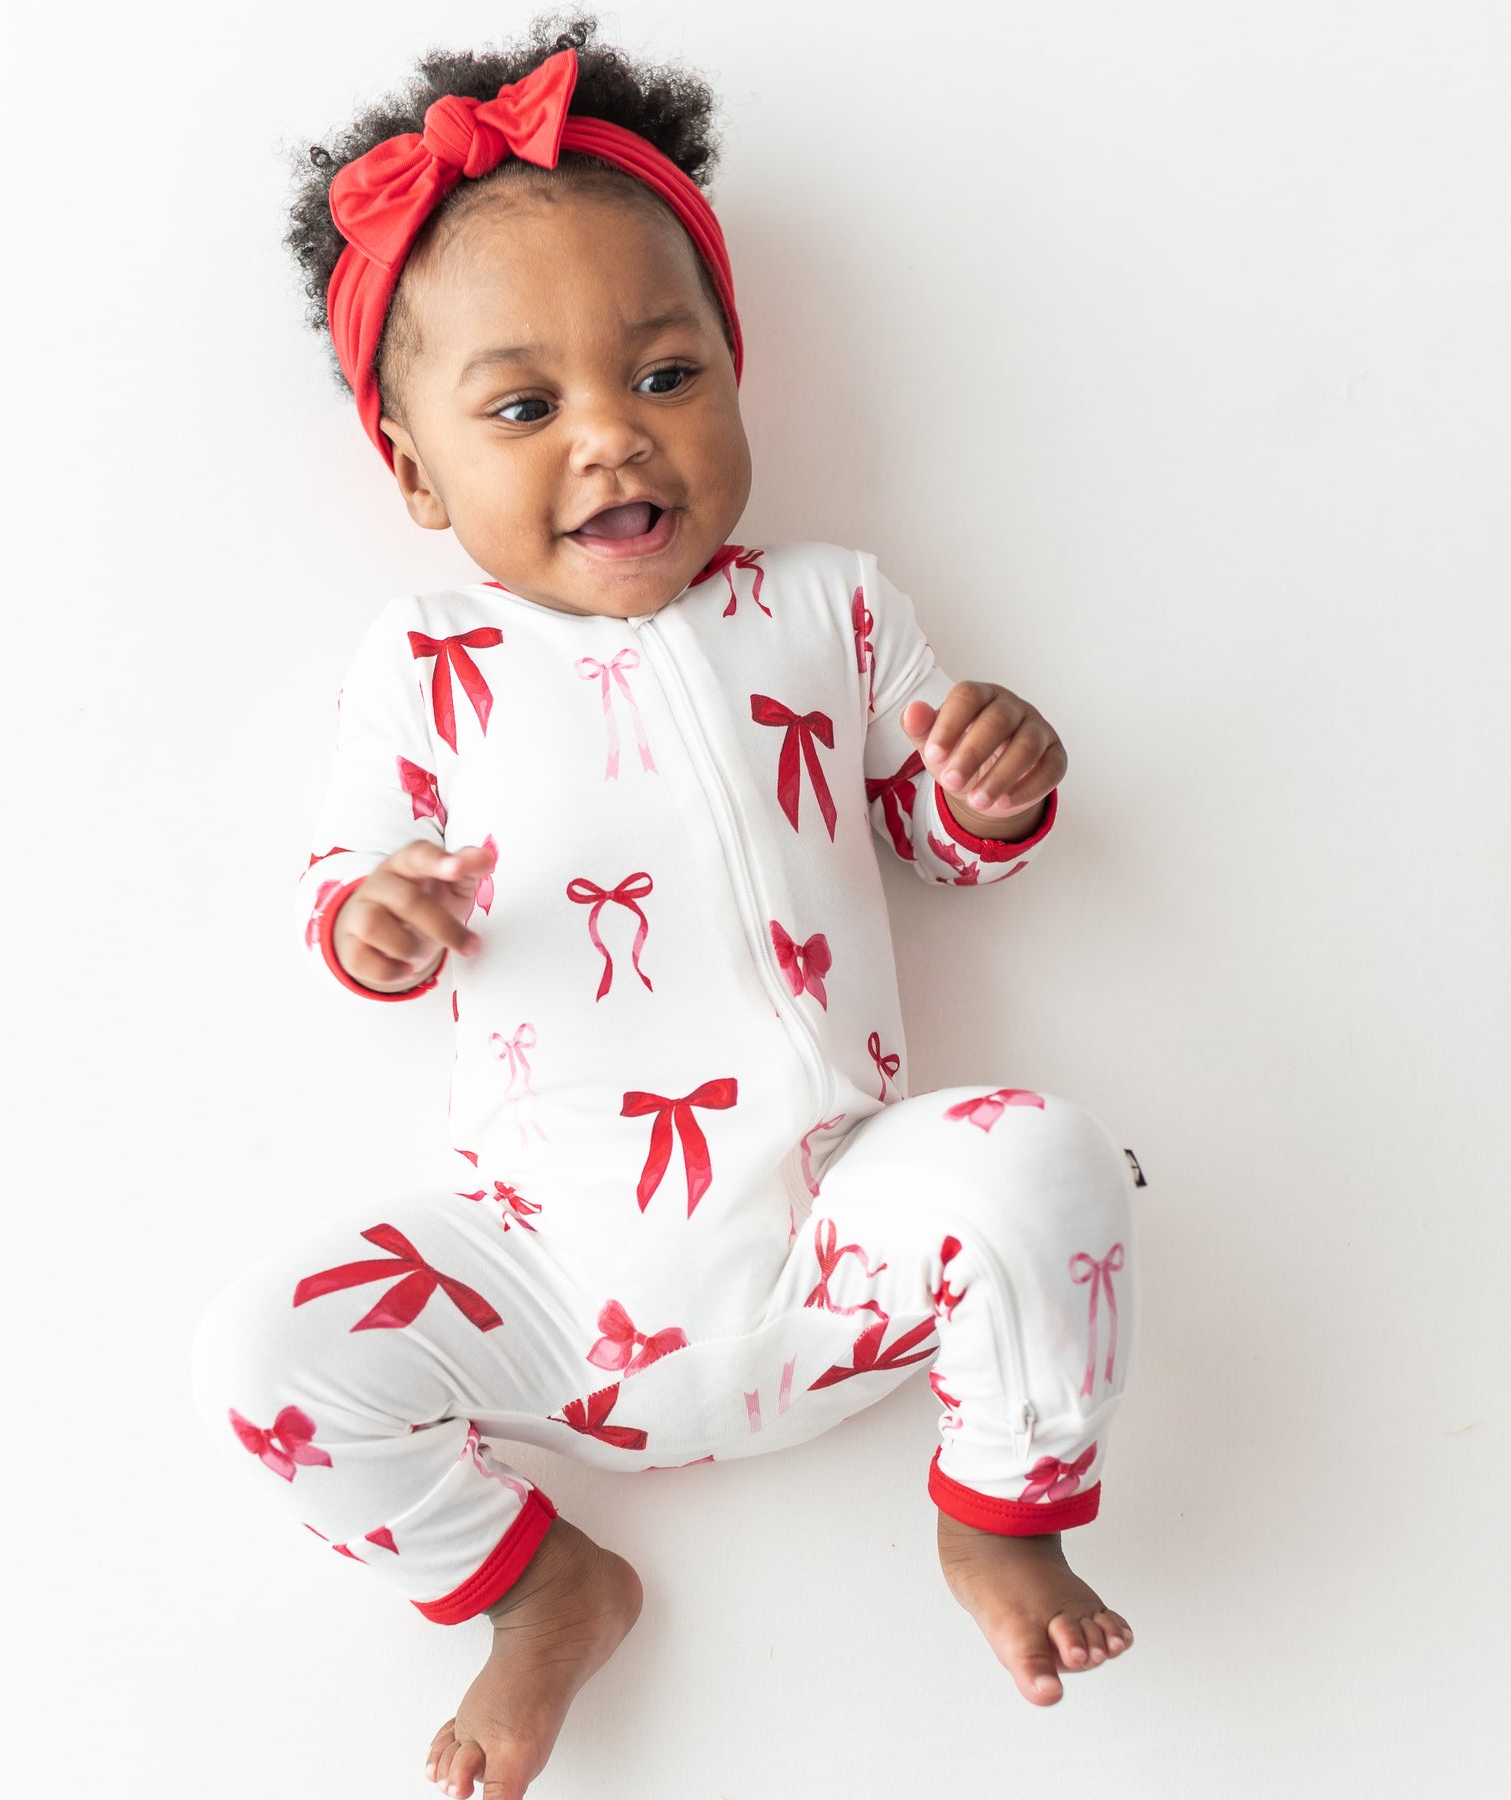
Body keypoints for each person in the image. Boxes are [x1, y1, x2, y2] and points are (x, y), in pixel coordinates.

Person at [191, 17, 1143, 1798]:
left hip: (842, 1234)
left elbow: (932, 841)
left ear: (735, 373)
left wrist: (985, 792)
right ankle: (538, 1581)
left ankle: (1002, 1509)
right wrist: (380, 919)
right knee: (260, 1351)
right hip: (556, 1288)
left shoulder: (835, 607)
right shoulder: (427, 660)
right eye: (525, 408)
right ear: (413, 473)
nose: (615, 444)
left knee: (1048, 1157)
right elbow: (348, 883)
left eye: (667, 376)